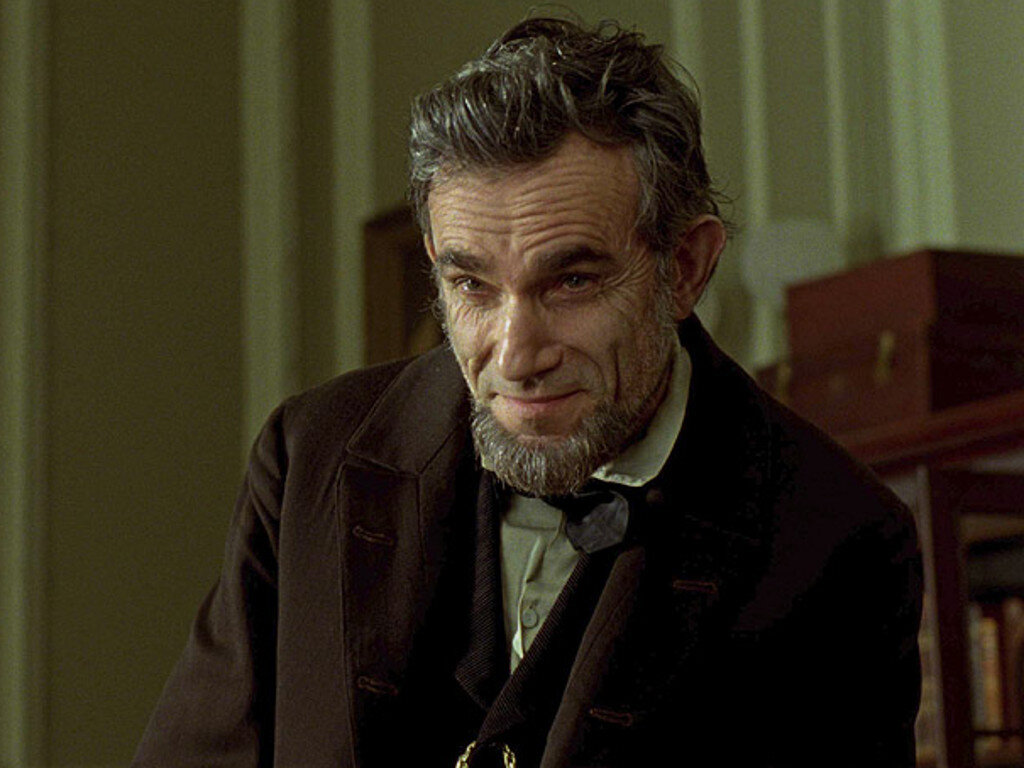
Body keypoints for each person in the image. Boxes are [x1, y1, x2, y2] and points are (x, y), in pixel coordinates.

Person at [134, 16, 922, 768]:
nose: (514, 356)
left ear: (685, 268)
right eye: (472, 285)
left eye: (572, 281)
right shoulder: (309, 455)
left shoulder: (842, 539)